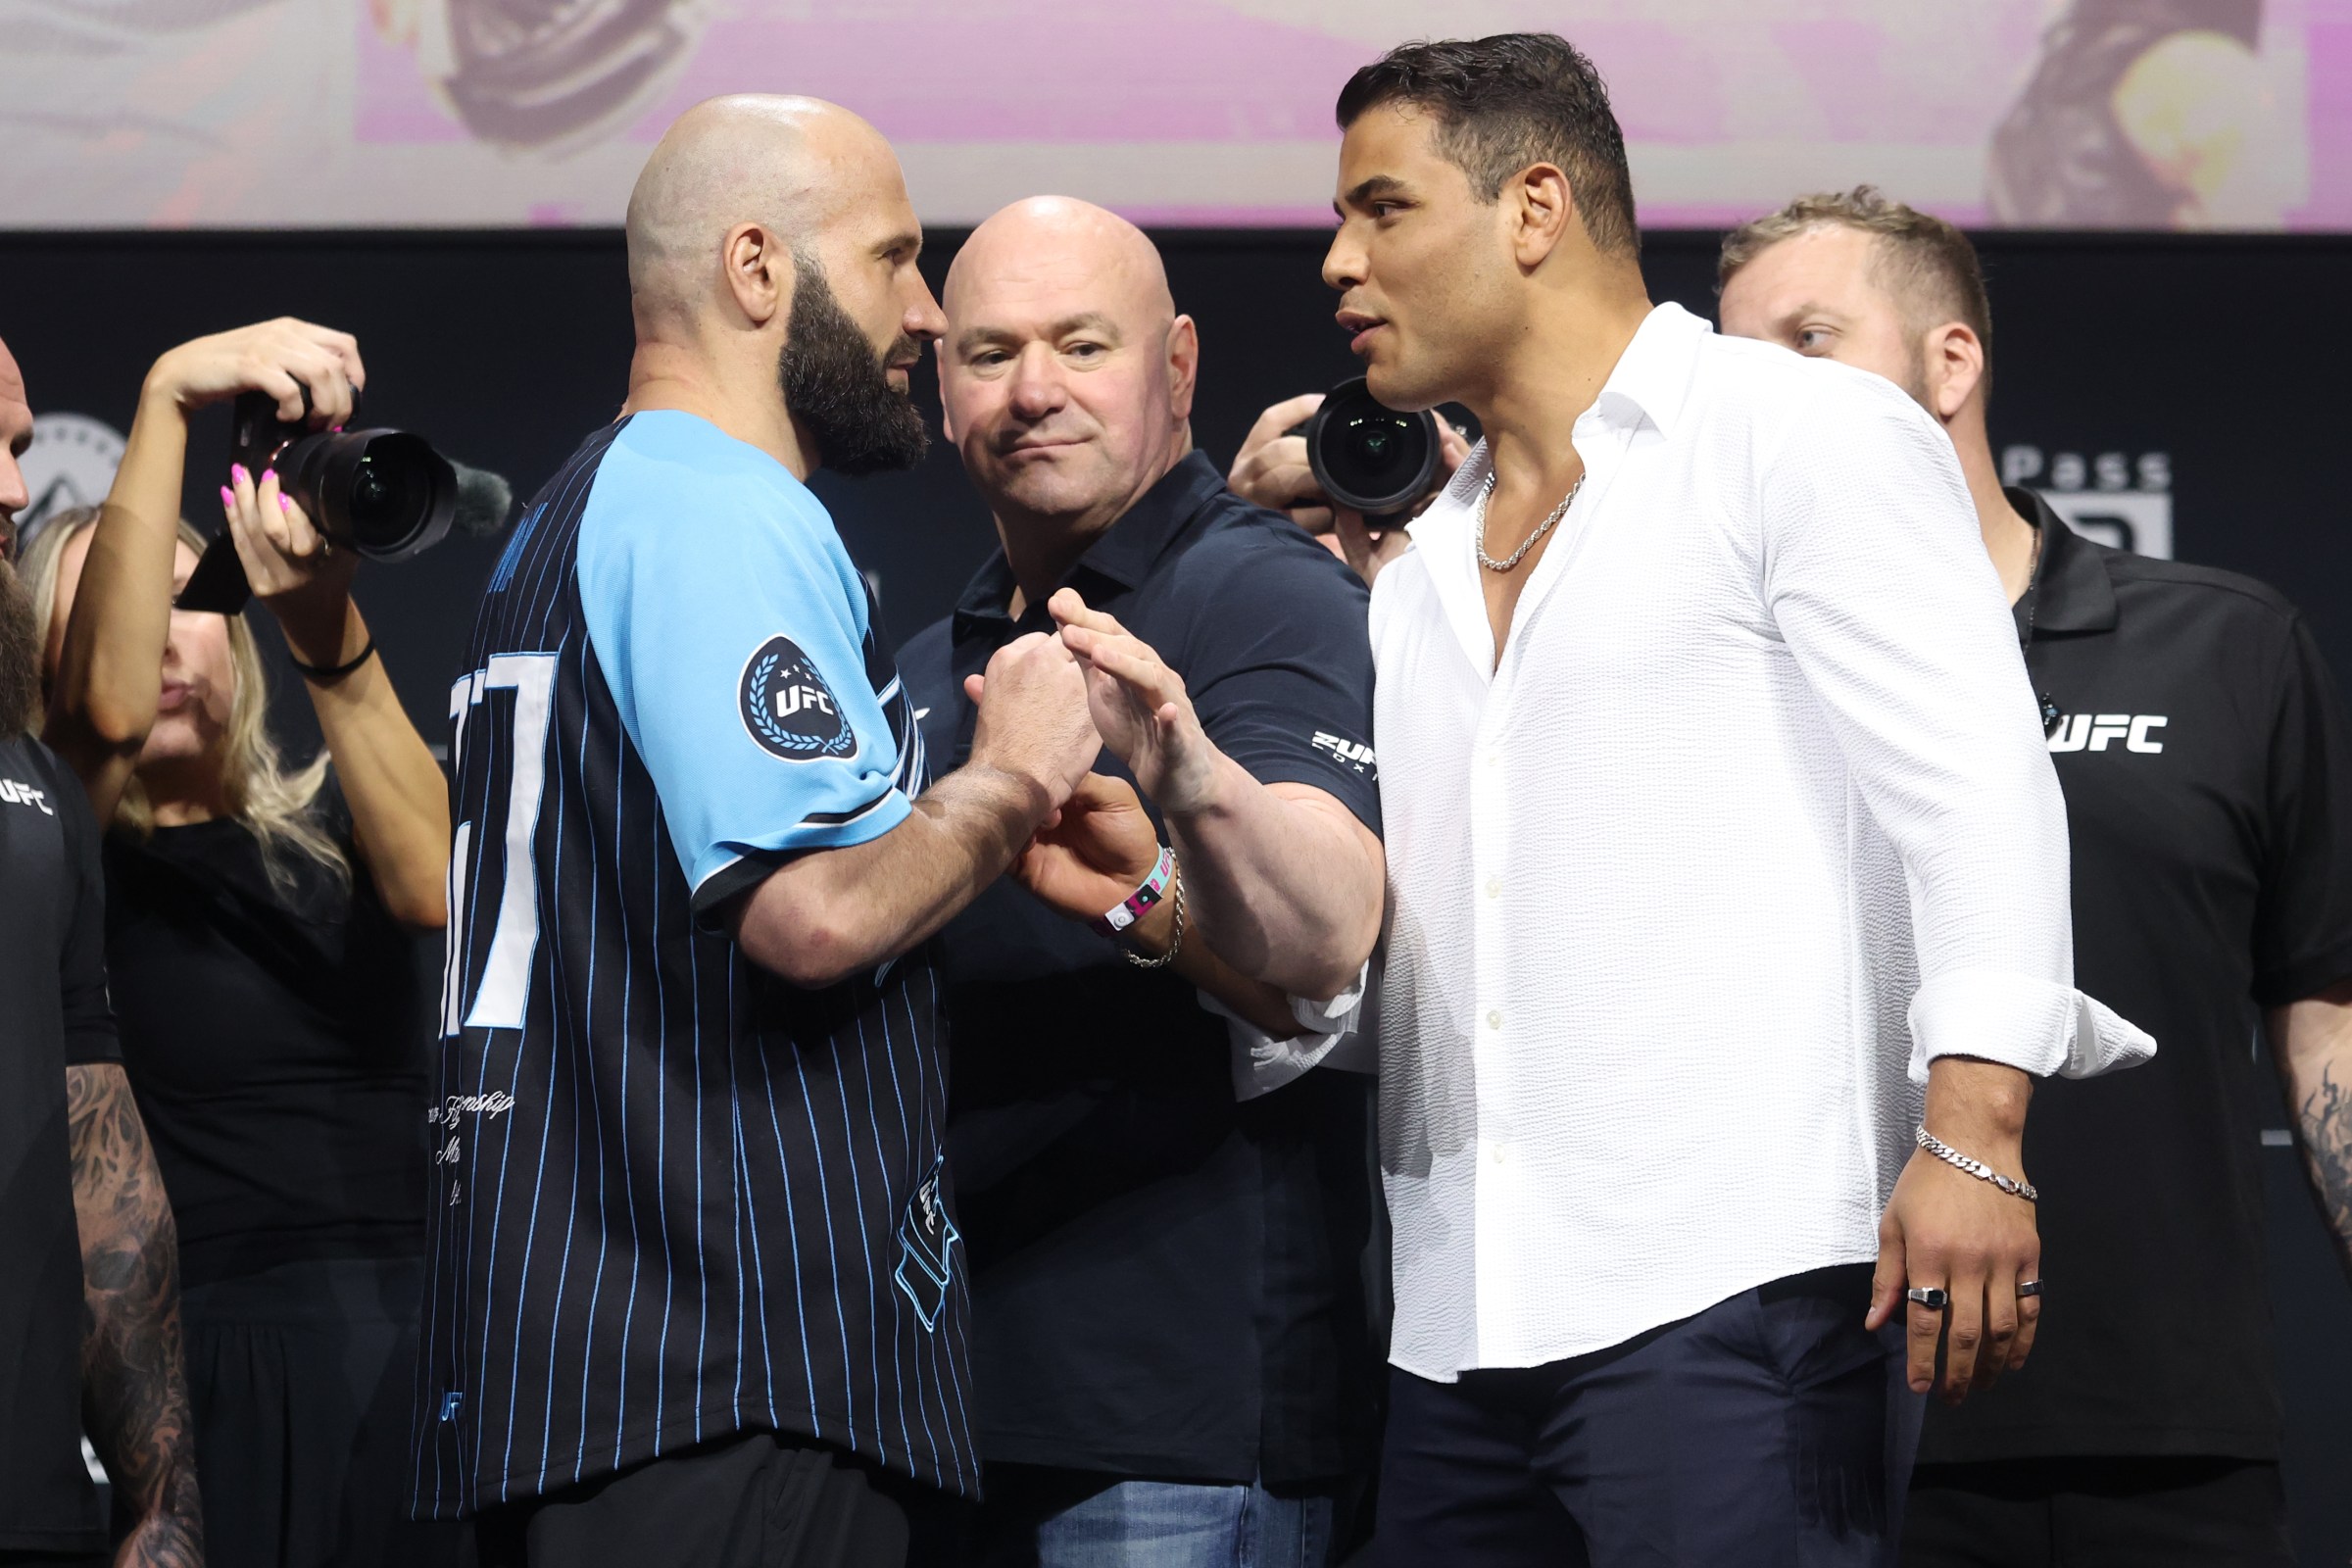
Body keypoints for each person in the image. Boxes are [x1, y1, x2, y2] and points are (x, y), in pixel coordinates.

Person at [1281, 33, 2154, 1564]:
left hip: (1736, 1303)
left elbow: (1978, 787)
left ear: (1533, 207)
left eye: (1382, 210)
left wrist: (1974, 1134)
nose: (1342, 266)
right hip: (1454, 1328)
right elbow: (1420, 949)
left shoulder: (1796, 431)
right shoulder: (1417, 570)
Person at [413, 97, 1101, 1568]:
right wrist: (1013, 773)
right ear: (755, 270)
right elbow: (818, 914)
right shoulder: (720, 510)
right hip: (726, 1368)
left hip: (578, 1366)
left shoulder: (567, 516)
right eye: (894, 258)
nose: (924, 308)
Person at [1718, 185, 2352, 1567]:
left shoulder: (2222, 647)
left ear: (1952, 362)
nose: (1761, 392)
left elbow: (2323, 1006)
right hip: (1815, 1425)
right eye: (1735, 360)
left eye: (1807, 339)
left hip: (2163, 1430)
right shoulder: (1722, 680)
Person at [896, 196, 1388, 1565]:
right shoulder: (942, 651)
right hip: (948, 1400)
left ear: (1176, 368)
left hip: (1172, 1426)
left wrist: (1161, 843)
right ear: (942, 391)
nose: (1033, 389)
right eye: (989, 352)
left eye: (1079, 344)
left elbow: (1328, 949)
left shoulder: (1260, 594)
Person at [27, 318, 460, 1568]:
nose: (167, 638)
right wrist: (166, 391)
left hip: (426, 1334)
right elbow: (101, 716)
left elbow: (437, 883)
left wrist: (325, 619)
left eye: (192, 597)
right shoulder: (68, 852)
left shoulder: (336, 819)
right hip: (210, 1359)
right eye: (120, 610)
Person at [0, 332, 203, 1567]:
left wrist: (160, 1503)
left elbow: (97, 1157)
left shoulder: (35, 791)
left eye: (20, 448)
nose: (15, 491)